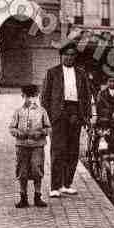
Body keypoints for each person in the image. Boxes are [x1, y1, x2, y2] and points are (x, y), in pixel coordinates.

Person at [41, 40, 92, 198]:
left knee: (72, 150)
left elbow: (86, 96)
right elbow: (45, 97)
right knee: (58, 149)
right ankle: (55, 186)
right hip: (59, 114)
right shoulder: (52, 73)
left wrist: (86, 116)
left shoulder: (81, 73)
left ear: (75, 57)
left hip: (75, 112)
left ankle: (66, 184)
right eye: (66, 55)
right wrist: (47, 119)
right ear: (61, 56)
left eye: (72, 55)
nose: (69, 58)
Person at [9, 84, 51, 208]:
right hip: (22, 146)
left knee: (37, 169)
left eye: (33, 96)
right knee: (22, 171)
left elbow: (48, 127)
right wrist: (17, 133)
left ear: (37, 96)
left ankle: (38, 196)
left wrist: (40, 132)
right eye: (28, 96)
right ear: (23, 96)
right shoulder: (18, 111)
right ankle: (23, 196)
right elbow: (11, 127)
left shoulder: (42, 111)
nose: (30, 99)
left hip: (37, 146)